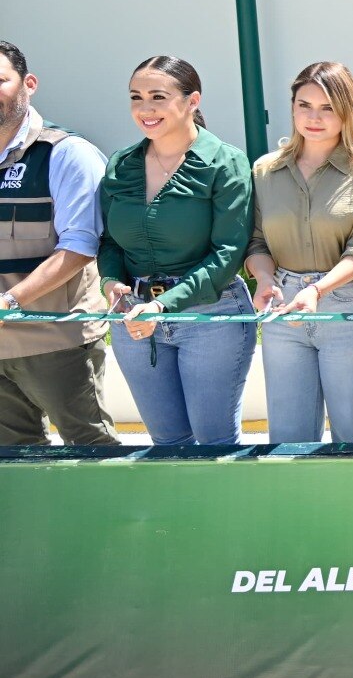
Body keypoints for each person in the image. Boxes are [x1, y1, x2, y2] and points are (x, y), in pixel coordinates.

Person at [98, 56, 255, 445]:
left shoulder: (225, 162)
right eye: (136, 97)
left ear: (192, 101)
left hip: (210, 315)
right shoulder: (121, 164)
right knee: (167, 446)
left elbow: (228, 253)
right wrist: (112, 283)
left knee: (215, 444)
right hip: (135, 318)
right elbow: (110, 242)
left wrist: (162, 305)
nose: (145, 109)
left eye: (158, 97)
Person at [243, 62, 353, 443]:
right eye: (304, 105)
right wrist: (263, 279)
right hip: (283, 305)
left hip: (348, 304)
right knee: (288, 440)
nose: (314, 118)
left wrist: (317, 290)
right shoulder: (265, 171)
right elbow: (257, 242)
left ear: (347, 111)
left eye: (327, 108)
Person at [0, 41, 117, 446]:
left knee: (91, 451)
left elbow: (80, 247)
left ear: (28, 84)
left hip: (56, 340)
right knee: (15, 464)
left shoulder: (66, 154)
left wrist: (8, 302)